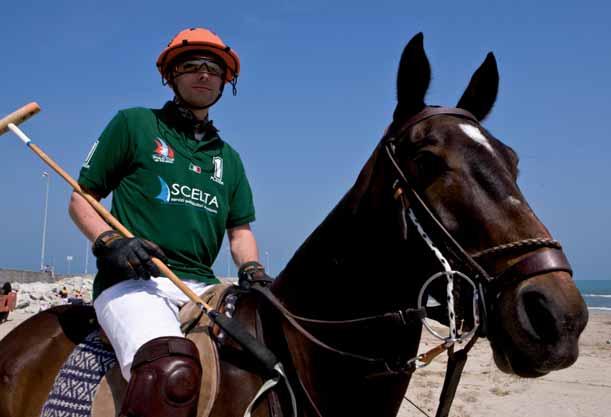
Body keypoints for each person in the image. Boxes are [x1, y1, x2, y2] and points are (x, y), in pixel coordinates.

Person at [68, 27, 267, 417]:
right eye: (192, 66)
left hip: (203, 288)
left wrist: (253, 269)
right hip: (134, 283)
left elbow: (240, 231)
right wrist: (109, 241)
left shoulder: (229, 158)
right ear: (171, 75)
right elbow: (81, 198)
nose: (204, 74)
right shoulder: (134, 124)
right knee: (168, 370)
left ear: (226, 81)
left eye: (214, 68)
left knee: (269, 359)